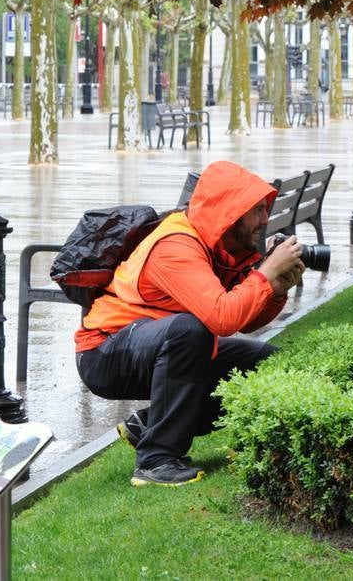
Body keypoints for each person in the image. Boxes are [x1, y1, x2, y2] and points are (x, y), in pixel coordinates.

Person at [74, 160, 305, 486]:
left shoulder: (219, 245)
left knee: (264, 362)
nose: (264, 220)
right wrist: (264, 276)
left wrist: (275, 290)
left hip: (157, 342)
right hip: (105, 352)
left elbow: (246, 322)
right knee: (190, 331)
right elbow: (223, 319)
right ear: (231, 211)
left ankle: (149, 425)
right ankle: (156, 462)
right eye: (257, 211)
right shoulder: (176, 245)